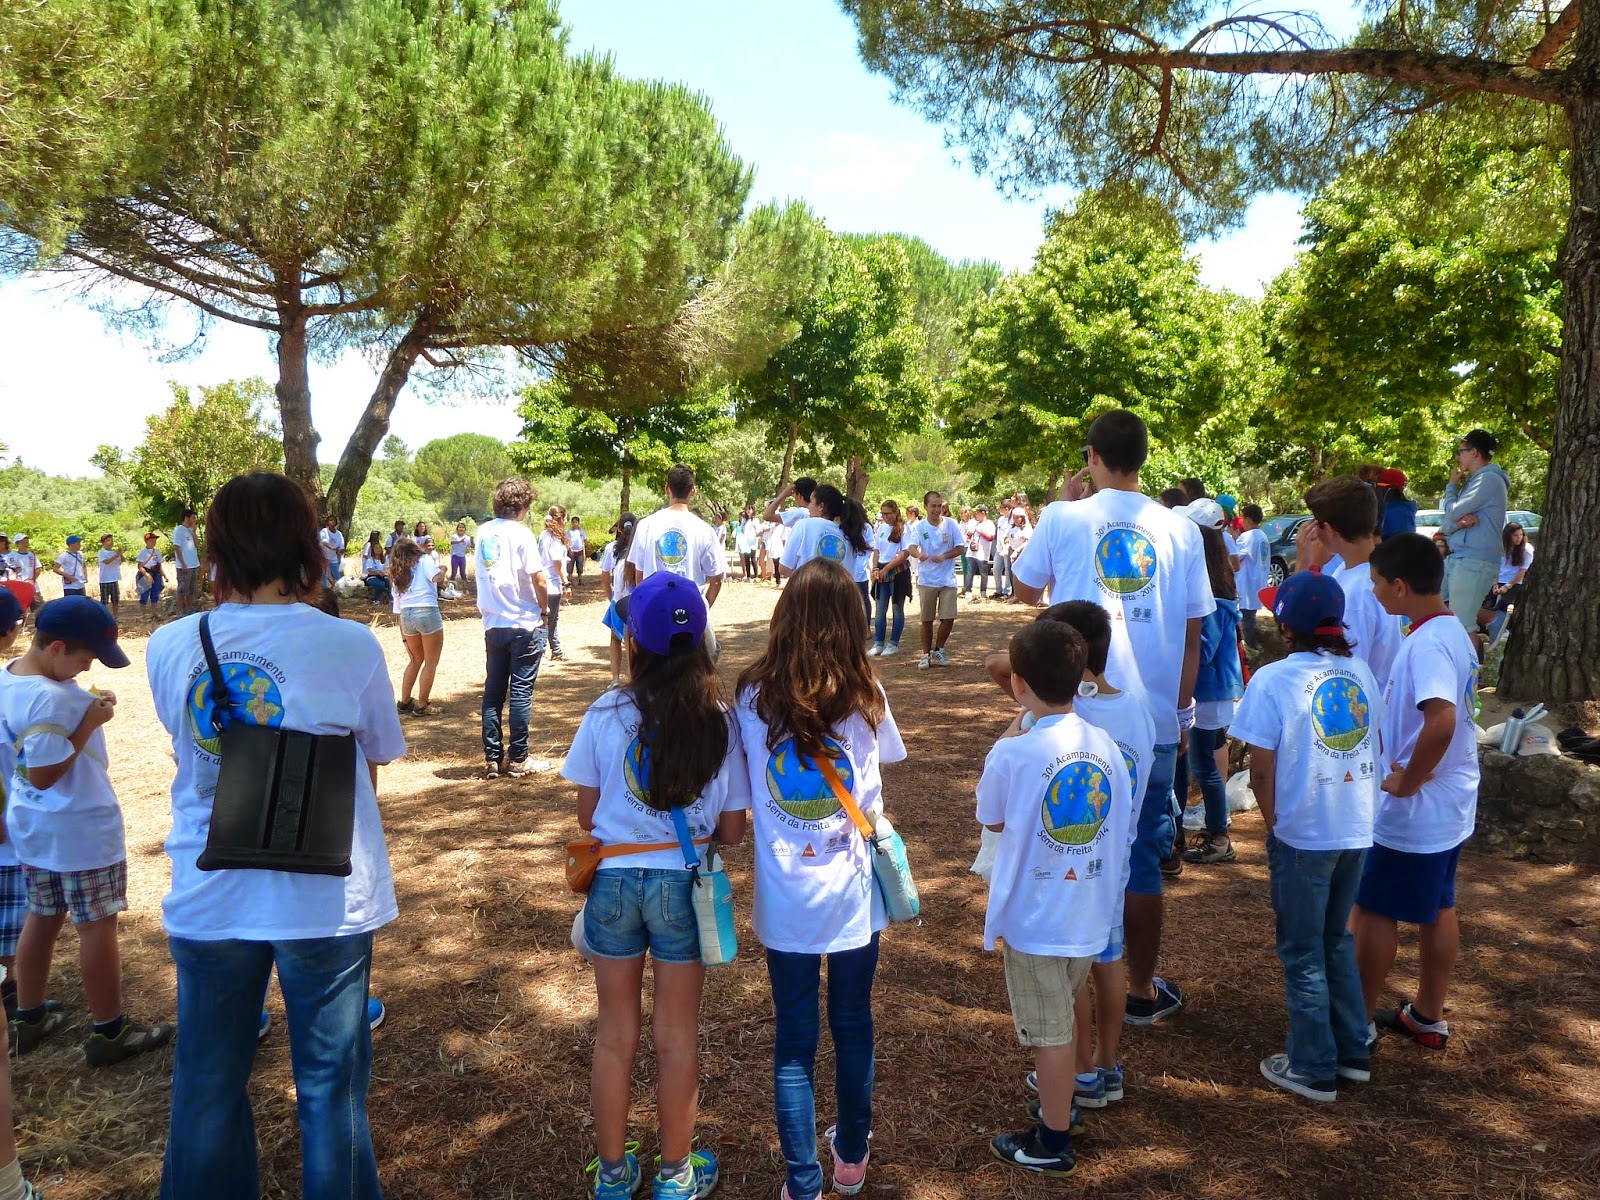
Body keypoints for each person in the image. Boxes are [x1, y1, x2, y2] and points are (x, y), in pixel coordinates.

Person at [146, 472, 404, 1199]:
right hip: (324, 892)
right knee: (330, 1090)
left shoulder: (171, 644)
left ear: (216, 549)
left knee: (206, 1084)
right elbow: (379, 750)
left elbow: (187, 747)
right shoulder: (349, 645)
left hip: (210, 889)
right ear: (307, 544)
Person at [1011, 409, 1215, 1025]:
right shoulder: (1180, 529)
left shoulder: (1064, 516)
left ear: (1092, 456)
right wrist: (1181, 714)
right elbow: (1193, 636)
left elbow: (1024, 592)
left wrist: (1061, 504)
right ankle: (1141, 989)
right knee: (1142, 859)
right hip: (1149, 719)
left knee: (1066, 846)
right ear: (1144, 459)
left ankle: (1070, 988)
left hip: (1070, 710)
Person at [567, 573, 748, 1199]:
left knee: (614, 1034)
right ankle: (676, 1174)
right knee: (677, 1035)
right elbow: (733, 831)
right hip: (682, 888)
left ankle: (613, 1175)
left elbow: (586, 815)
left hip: (613, 884)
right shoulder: (721, 721)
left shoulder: (604, 711)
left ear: (633, 642)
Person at [735, 559, 907, 1200]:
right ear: (853, 622)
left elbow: (741, 791)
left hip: (786, 897)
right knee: (854, 1022)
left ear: (784, 617)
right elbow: (884, 767)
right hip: (853, 893)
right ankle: (852, 1158)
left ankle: (802, 1179)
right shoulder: (866, 694)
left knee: (794, 1039)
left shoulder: (752, 697)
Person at [977, 620, 1133, 1178]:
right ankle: (1060, 1105)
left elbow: (992, 817)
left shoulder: (1014, 753)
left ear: (1018, 684)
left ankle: (1053, 1139)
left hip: (1036, 918)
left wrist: (1010, 733)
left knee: (1049, 1033)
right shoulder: (1104, 744)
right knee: (1061, 1015)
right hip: (1087, 912)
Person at [0, 596, 175, 1066]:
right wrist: (91, 721)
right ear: (57, 648)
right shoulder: (55, 697)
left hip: (33, 828)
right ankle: (109, 1030)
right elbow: (44, 772)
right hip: (80, 828)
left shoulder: (9, 677)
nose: (88, 667)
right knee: (97, 925)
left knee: (42, 916)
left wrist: (87, 707)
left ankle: (29, 1016)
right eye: (86, 657)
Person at [1230, 571, 1383, 1102]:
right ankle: (1352, 1049)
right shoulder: (1360, 671)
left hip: (1305, 831)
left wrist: (1275, 824)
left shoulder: (1272, 679)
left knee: (1301, 948)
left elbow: (1261, 769)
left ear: (1287, 627)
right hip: (1356, 826)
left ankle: (1313, 1065)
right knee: (1334, 937)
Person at [1353, 533, 1481, 1052]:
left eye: (1377, 583)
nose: (1375, 592)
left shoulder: (1427, 645)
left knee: (1374, 909)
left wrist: (1407, 781)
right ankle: (1428, 1013)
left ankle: (1355, 1022)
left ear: (1401, 586)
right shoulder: (1451, 629)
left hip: (1419, 806)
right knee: (1439, 904)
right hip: (1451, 801)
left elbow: (1442, 721)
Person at [1174, 500, 1244, 866]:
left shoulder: (1213, 596)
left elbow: (1200, 650)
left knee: (1203, 765)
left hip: (1207, 691)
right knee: (1190, 760)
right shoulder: (1216, 583)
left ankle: (1219, 837)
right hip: (1203, 690)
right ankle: (1183, 832)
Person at [475, 477, 551, 780]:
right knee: (520, 692)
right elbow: (539, 579)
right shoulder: (521, 533)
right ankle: (519, 757)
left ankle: (492, 758)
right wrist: (544, 610)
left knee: (493, 692)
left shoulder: (483, 532)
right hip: (523, 621)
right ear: (522, 505)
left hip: (493, 622)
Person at [1303, 477, 1402, 690]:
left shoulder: (1357, 593)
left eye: (1316, 523)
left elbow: (1349, 671)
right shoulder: (1356, 571)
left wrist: (1309, 563)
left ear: (1330, 530)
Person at [627, 465, 726, 657]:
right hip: (692, 614)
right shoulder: (705, 530)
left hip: (655, 614)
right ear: (693, 490)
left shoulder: (646, 525)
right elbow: (716, 580)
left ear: (667, 488)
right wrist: (701, 608)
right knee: (704, 665)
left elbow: (639, 578)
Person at [1440, 429, 1509, 632]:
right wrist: (1457, 524)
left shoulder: (1488, 480)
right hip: (1461, 558)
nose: (1458, 457)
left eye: (1461, 451)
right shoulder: (1476, 481)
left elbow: (1452, 512)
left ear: (1474, 452)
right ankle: (1491, 620)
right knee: (1434, 607)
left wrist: (1451, 486)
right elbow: (1449, 523)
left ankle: (1490, 627)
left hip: (1474, 562)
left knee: (1461, 624)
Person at [780, 484, 873, 612]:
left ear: (821, 506)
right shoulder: (849, 534)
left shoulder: (804, 525)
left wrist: (809, 579)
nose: (808, 507)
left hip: (806, 601)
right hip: (838, 604)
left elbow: (784, 568)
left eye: (811, 502)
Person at [389, 538, 445, 716]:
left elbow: (398, 609)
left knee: (415, 659)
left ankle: (404, 701)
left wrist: (404, 638)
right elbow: (437, 578)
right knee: (431, 662)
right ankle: (422, 704)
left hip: (407, 615)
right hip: (426, 610)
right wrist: (443, 569)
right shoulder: (424, 560)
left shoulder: (397, 573)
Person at [910, 491, 965, 670]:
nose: (936, 509)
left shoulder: (951, 524)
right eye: (933, 506)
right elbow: (911, 547)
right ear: (925, 506)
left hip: (948, 580)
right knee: (927, 619)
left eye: (939, 506)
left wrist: (944, 556)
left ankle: (939, 649)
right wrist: (919, 554)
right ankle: (925, 654)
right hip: (927, 580)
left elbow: (960, 548)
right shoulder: (919, 527)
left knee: (948, 617)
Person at [869, 499, 913, 657]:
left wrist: (887, 569)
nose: (886, 517)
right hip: (881, 571)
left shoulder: (904, 529)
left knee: (897, 608)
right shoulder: (881, 528)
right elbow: (876, 550)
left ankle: (893, 643)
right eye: (883, 514)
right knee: (880, 609)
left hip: (897, 572)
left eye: (888, 513)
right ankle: (878, 643)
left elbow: (905, 553)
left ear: (896, 512)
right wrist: (875, 568)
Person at [598, 514, 638, 689]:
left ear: (619, 528)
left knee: (615, 638)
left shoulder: (611, 548)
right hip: (634, 600)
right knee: (632, 641)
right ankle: (633, 677)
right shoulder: (639, 546)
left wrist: (611, 597)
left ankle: (615, 678)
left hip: (618, 599)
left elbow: (605, 577)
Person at [1477, 521, 1533, 637]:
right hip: (1498, 581)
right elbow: (1496, 567)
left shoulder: (1526, 549)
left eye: (1520, 535)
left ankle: (1501, 631)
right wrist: (1495, 584)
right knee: (1485, 604)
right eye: (1515, 535)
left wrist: (1508, 586)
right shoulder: (1500, 548)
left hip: (1515, 583)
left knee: (1503, 607)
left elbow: (1523, 571)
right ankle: (1483, 632)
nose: (1518, 538)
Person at [1235, 505, 1270, 649]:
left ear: (1248, 519)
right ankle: (1251, 644)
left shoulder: (1247, 537)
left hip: (1246, 582)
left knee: (1245, 618)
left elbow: (1236, 557)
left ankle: (1248, 646)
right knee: (1250, 616)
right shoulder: (1263, 536)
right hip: (1257, 582)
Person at [539, 506, 571, 662]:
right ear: (561, 519)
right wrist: (566, 582)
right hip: (552, 583)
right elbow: (557, 563)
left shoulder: (544, 535)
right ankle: (548, 650)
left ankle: (554, 650)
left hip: (542, 582)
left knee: (545, 617)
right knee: (550, 619)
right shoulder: (555, 539)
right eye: (566, 518)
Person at [171, 510, 201, 616]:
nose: (195, 520)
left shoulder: (190, 530)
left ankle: (189, 609)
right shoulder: (179, 530)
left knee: (191, 590)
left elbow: (197, 545)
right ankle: (180, 611)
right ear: (187, 518)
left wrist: (194, 532)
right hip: (184, 565)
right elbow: (177, 547)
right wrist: (182, 563)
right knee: (182, 590)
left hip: (194, 564)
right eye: (193, 517)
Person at [135, 531, 166, 627]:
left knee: (155, 595)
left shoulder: (157, 552)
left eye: (154, 540)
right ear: (146, 541)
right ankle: (143, 615)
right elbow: (140, 566)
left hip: (156, 574)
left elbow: (159, 565)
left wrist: (164, 575)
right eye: (151, 540)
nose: (153, 542)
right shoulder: (143, 552)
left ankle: (154, 614)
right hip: (145, 573)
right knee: (144, 595)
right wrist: (146, 575)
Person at [1377, 469, 1417, 538]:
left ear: (1390, 488)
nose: (1376, 488)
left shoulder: (1396, 512)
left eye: (1379, 485)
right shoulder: (1406, 509)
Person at [95, 534, 124, 617]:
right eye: (108, 541)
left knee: (115, 600)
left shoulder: (114, 552)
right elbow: (107, 562)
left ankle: (115, 616)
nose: (110, 542)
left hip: (114, 579)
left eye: (111, 540)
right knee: (104, 601)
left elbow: (122, 560)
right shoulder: (102, 552)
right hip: (105, 580)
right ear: (103, 543)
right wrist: (116, 555)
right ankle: (104, 617)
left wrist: (120, 554)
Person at [361, 533, 391, 604]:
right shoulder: (370, 560)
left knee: (390, 583)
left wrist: (386, 573)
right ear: (373, 550)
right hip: (372, 577)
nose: (378, 550)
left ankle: (390, 599)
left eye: (379, 548)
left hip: (383, 576)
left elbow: (388, 569)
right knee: (381, 584)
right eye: (376, 548)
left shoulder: (385, 559)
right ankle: (376, 599)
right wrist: (378, 572)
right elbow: (370, 571)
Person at [318, 516, 346, 589]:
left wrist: (340, 551)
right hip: (324, 556)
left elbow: (341, 547)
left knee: (337, 573)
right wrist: (334, 548)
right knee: (324, 575)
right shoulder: (324, 531)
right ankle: (324, 590)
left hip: (333, 557)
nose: (332, 522)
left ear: (336, 523)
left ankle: (339, 589)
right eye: (330, 520)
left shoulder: (339, 534)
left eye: (334, 520)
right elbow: (324, 542)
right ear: (327, 522)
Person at [567, 515, 587, 589]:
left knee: (580, 566)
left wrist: (587, 549)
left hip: (579, 551)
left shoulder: (581, 531)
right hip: (572, 551)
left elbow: (585, 540)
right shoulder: (569, 531)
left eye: (576, 522)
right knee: (570, 566)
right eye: (573, 522)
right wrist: (569, 550)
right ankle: (570, 580)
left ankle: (580, 580)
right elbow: (567, 541)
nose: (575, 524)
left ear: (578, 523)